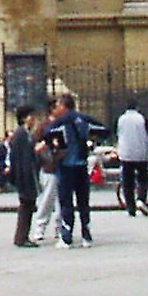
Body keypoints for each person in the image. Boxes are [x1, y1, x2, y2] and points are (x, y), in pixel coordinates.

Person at [44, 93, 99, 248]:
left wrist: (56, 147)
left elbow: (47, 133)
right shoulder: (84, 118)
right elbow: (103, 129)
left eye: (59, 105)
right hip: (82, 164)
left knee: (66, 201)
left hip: (67, 165)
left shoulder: (62, 121)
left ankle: (66, 236)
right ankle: (86, 235)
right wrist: (91, 142)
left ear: (63, 105)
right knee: (83, 202)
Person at [9, 105, 40, 247]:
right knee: (26, 207)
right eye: (31, 117)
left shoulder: (26, 134)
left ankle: (23, 236)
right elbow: (20, 159)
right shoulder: (21, 135)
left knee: (28, 206)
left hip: (27, 176)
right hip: (25, 177)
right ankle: (21, 237)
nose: (33, 120)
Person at [30, 97, 60, 243]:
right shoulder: (45, 126)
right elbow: (35, 145)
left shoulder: (64, 124)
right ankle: (40, 227)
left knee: (63, 201)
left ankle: (60, 228)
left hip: (62, 165)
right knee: (47, 199)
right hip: (49, 167)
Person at [116, 99, 148, 216]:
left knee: (127, 181)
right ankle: (141, 200)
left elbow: (117, 133)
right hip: (141, 153)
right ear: (137, 107)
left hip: (125, 153)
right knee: (143, 178)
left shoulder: (121, 119)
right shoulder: (142, 118)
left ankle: (130, 207)